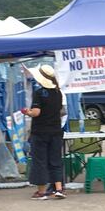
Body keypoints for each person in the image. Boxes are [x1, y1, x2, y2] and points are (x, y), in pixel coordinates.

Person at [23, 65, 66, 200]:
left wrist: (27, 112)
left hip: (40, 132)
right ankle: (58, 189)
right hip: (56, 131)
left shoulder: (39, 92)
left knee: (40, 161)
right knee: (55, 160)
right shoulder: (58, 93)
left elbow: (36, 112)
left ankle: (41, 192)